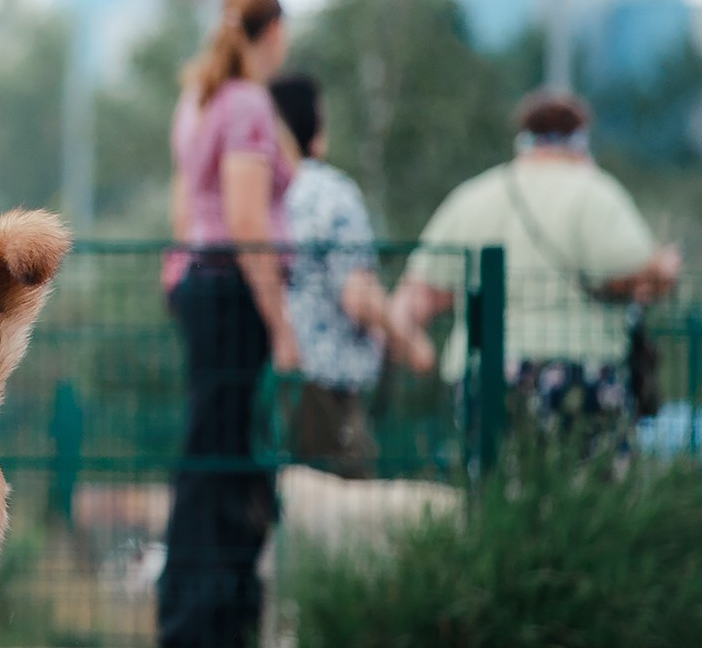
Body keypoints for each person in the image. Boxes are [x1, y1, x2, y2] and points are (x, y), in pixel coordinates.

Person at [390, 89, 680, 448]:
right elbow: (638, 270)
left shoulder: (473, 198)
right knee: (586, 491)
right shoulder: (598, 195)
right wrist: (665, 268)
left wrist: (418, 357)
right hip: (581, 370)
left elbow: (414, 301)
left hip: (484, 374)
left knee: (494, 488)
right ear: (581, 138)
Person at [157, 0, 294, 648]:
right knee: (225, 460)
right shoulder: (244, 104)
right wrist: (280, 319)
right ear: (274, 32)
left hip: (197, 283)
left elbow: (188, 206)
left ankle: (191, 630)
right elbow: (246, 219)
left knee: (207, 456)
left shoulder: (201, 98)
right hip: (231, 291)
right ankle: (210, 638)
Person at [268, 72, 430, 476]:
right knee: (346, 512)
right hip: (324, 383)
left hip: (265, 376)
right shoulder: (330, 193)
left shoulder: (256, 192)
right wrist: (410, 342)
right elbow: (357, 294)